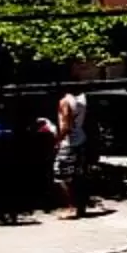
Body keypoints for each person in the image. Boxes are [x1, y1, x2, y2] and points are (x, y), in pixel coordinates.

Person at [50, 84, 91, 219]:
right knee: (79, 174)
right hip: (81, 138)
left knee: (60, 174)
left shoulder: (65, 102)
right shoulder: (82, 100)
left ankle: (71, 207)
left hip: (69, 142)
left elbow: (65, 126)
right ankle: (81, 206)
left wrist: (57, 140)